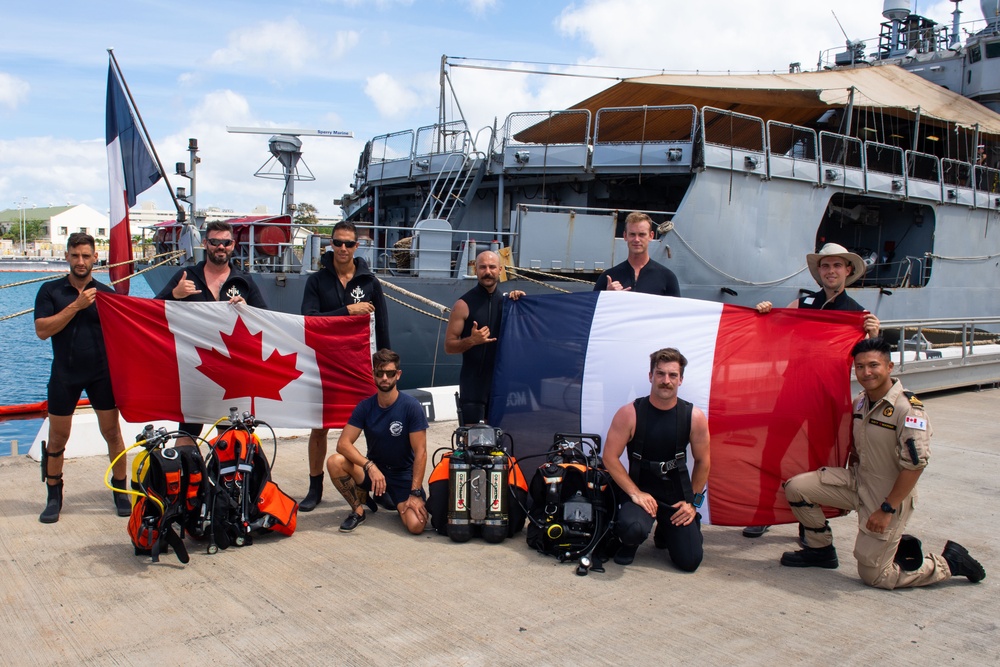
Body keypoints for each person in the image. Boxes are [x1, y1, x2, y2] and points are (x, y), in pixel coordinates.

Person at [779, 338, 985, 588]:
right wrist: (841, 493)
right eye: (860, 366)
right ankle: (820, 550)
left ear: (890, 366)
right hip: (858, 481)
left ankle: (949, 563)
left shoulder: (908, 410)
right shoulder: (861, 402)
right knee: (796, 487)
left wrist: (886, 510)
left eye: (873, 365)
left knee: (875, 576)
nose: (866, 372)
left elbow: (915, 465)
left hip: (888, 496)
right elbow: (856, 450)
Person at [742, 242, 880, 538]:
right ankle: (764, 512)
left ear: (848, 271)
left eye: (837, 266)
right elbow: (769, 336)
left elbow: (870, 363)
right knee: (771, 455)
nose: (831, 271)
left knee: (819, 464)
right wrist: (764, 313)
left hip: (825, 401)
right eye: (826, 266)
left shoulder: (857, 315)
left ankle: (812, 522)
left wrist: (874, 335)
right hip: (791, 393)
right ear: (819, 271)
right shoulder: (800, 305)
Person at [33, 233, 129, 523]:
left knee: (112, 434)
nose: (80, 261)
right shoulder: (51, 292)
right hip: (65, 373)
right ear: (67, 257)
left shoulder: (106, 294)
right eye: (75, 256)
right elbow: (42, 330)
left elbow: (132, 329)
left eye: (86, 256)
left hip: (102, 374)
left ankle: (120, 491)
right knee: (58, 437)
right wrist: (76, 305)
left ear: (94, 258)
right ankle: (54, 495)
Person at [297, 221, 390, 512]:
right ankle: (315, 487)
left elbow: (383, 327)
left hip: (360, 366)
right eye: (338, 243)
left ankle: (378, 484)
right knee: (320, 428)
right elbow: (309, 320)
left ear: (356, 246)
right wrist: (347, 312)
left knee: (375, 426)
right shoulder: (316, 281)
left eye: (349, 244)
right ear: (331, 244)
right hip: (323, 366)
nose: (343, 249)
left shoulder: (370, 283)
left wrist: (385, 365)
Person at [155, 220, 267, 444]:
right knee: (187, 436)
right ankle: (188, 476)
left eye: (225, 242)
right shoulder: (186, 275)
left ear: (233, 244)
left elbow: (266, 318)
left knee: (232, 439)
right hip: (195, 368)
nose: (220, 247)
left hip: (232, 370)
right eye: (215, 242)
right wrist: (175, 295)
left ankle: (228, 478)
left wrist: (248, 310)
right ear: (205, 243)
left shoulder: (244, 280)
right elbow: (154, 311)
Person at [602, 348, 711, 571]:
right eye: (660, 374)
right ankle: (629, 541)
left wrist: (692, 503)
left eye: (672, 375)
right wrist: (635, 493)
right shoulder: (630, 413)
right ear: (650, 376)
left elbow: (703, 462)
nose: (666, 381)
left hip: (675, 497)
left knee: (690, 561)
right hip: (641, 493)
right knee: (631, 528)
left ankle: (665, 531)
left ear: (681, 379)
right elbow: (610, 457)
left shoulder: (694, 417)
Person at [326, 349, 429, 534]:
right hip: (374, 471)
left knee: (416, 525)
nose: (384, 378)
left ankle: (392, 497)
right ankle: (358, 510)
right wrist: (370, 466)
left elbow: (421, 452)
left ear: (398, 375)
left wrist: (415, 493)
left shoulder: (411, 407)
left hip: (402, 475)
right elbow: (343, 443)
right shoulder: (365, 406)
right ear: (373, 374)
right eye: (379, 373)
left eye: (390, 373)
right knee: (335, 461)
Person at [444, 250, 524, 425]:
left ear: (500, 269)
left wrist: (520, 301)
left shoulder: (509, 303)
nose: (488, 271)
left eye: (492, 267)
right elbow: (449, 346)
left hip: (501, 385)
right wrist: (472, 341)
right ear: (475, 270)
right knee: (473, 441)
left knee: (500, 443)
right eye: (483, 267)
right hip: (473, 385)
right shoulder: (463, 305)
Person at [593, 211, 680, 296]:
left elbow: (677, 309)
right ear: (625, 236)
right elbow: (592, 308)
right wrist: (607, 296)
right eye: (632, 234)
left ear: (651, 236)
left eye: (642, 234)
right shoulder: (609, 277)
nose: (636, 240)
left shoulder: (667, 278)